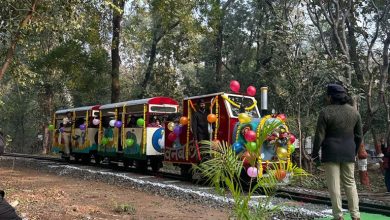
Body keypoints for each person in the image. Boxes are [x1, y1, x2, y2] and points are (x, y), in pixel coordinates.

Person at [312, 83, 362, 220]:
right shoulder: (354, 112)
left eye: (327, 95)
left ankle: (338, 216)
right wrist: (354, 151)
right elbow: (359, 136)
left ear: (330, 97)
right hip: (348, 152)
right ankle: (356, 215)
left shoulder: (325, 112)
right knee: (350, 183)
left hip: (331, 152)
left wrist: (315, 154)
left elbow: (319, 136)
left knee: (334, 185)